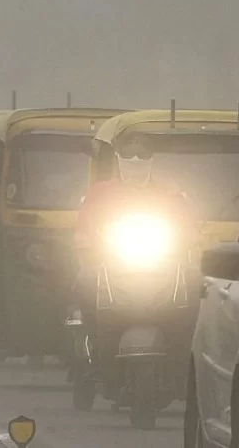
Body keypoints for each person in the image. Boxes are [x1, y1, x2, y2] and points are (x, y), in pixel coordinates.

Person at [72, 138, 198, 377]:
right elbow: (83, 229)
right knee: (84, 282)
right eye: (129, 165)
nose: (135, 170)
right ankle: (94, 343)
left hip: (163, 263)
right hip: (109, 262)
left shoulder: (169, 192)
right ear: (119, 164)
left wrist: (186, 239)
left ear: (151, 164)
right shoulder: (101, 192)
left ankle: (185, 357)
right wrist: (89, 244)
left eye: (141, 165)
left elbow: (190, 228)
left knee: (195, 281)